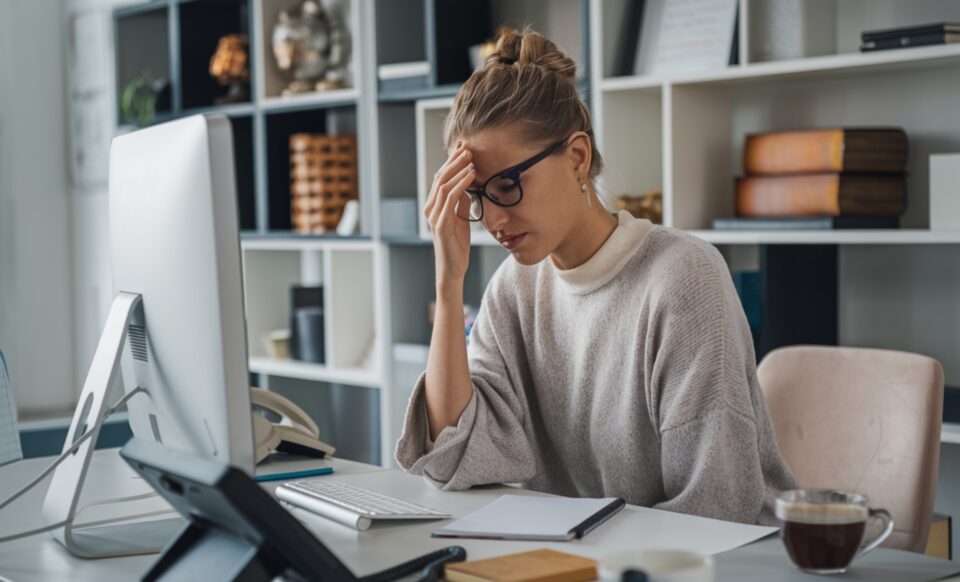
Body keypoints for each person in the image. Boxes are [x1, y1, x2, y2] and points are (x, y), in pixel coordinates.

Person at [395, 26, 797, 525]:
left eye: (507, 185)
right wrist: (448, 282)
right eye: (477, 197)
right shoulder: (514, 290)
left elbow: (714, 504)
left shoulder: (683, 279)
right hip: (585, 559)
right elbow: (454, 459)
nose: (494, 220)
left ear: (577, 157)